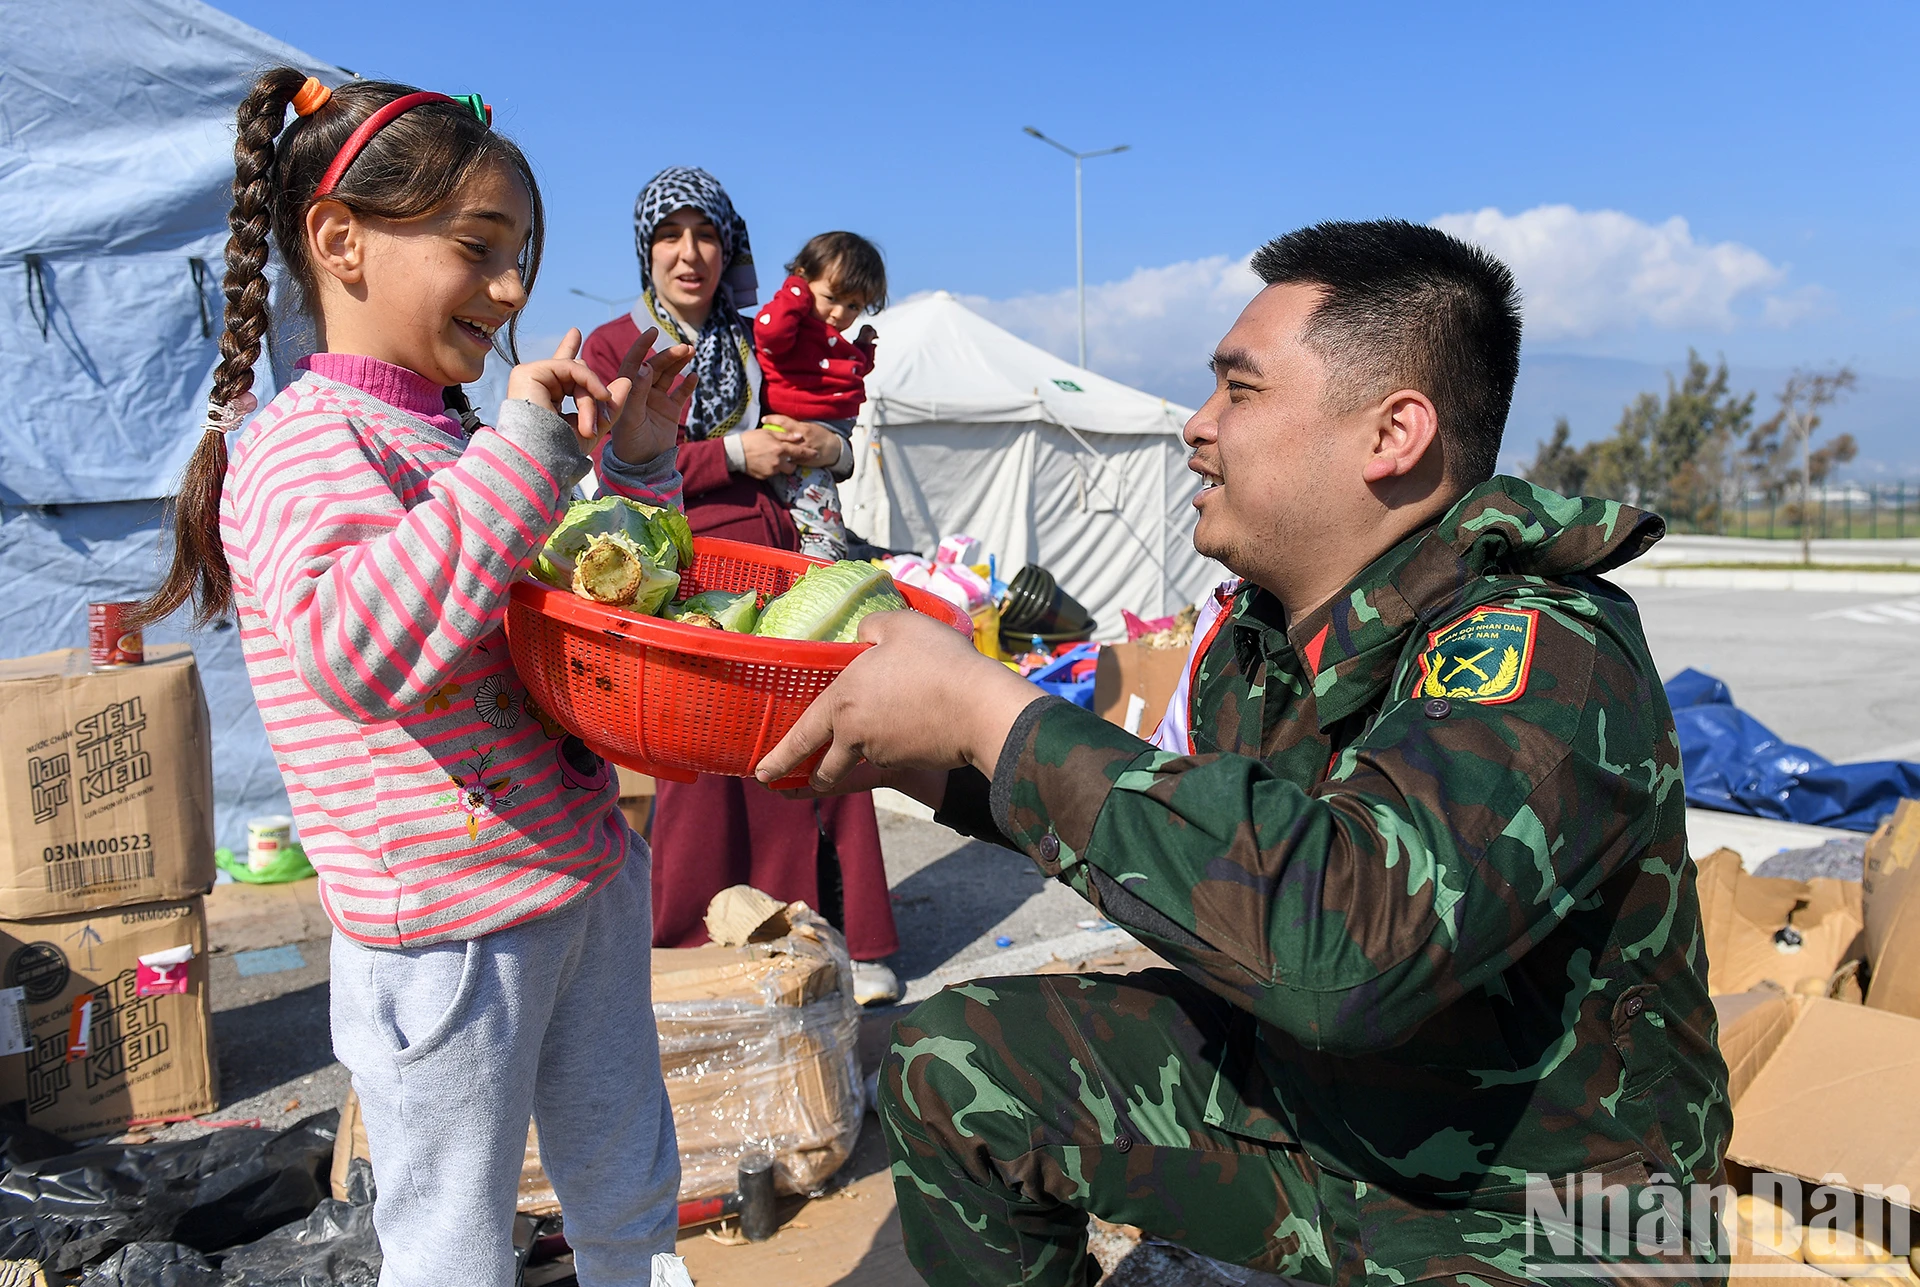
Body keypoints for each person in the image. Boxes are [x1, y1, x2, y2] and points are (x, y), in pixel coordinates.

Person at [757, 220, 1733, 1285]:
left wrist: (991, 710)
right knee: (957, 1065)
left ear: (1392, 434)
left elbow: (1343, 948)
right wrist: (933, 758)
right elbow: (1200, 841)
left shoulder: (1539, 649)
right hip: (1330, 1121)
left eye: (1240, 390)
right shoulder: (1264, 641)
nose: (1196, 425)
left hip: (1538, 1204)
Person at [134, 71, 696, 1286]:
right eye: (478, 248)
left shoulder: (450, 436)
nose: (509, 291)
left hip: (580, 873)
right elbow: (358, 651)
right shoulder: (299, 448)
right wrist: (525, 447)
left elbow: (571, 602)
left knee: (628, 1186)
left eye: (520, 258)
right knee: (452, 1240)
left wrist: (639, 473)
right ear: (340, 242)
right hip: (447, 937)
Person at [581, 168, 901, 1004]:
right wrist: (734, 454)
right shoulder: (615, 345)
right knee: (708, 756)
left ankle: (847, 936)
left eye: (707, 236)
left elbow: (835, 422)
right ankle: (695, 936)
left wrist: (825, 448)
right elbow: (610, 466)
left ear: (730, 248)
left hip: (785, 555)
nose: (690, 255)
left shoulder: (762, 335)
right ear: (645, 248)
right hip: (677, 569)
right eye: (671, 236)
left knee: (834, 730)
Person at [752, 231, 887, 560]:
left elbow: (846, 370)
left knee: (817, 509)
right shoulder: (793, 328)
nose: (840, 313)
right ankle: (821, 570)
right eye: (831, 297)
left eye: (853, 305)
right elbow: (768, 330)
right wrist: (795, 289)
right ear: (802, 279)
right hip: (800, 428)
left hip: (830, 432)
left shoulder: (825, 335)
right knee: (823, 525)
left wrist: (863, 347)